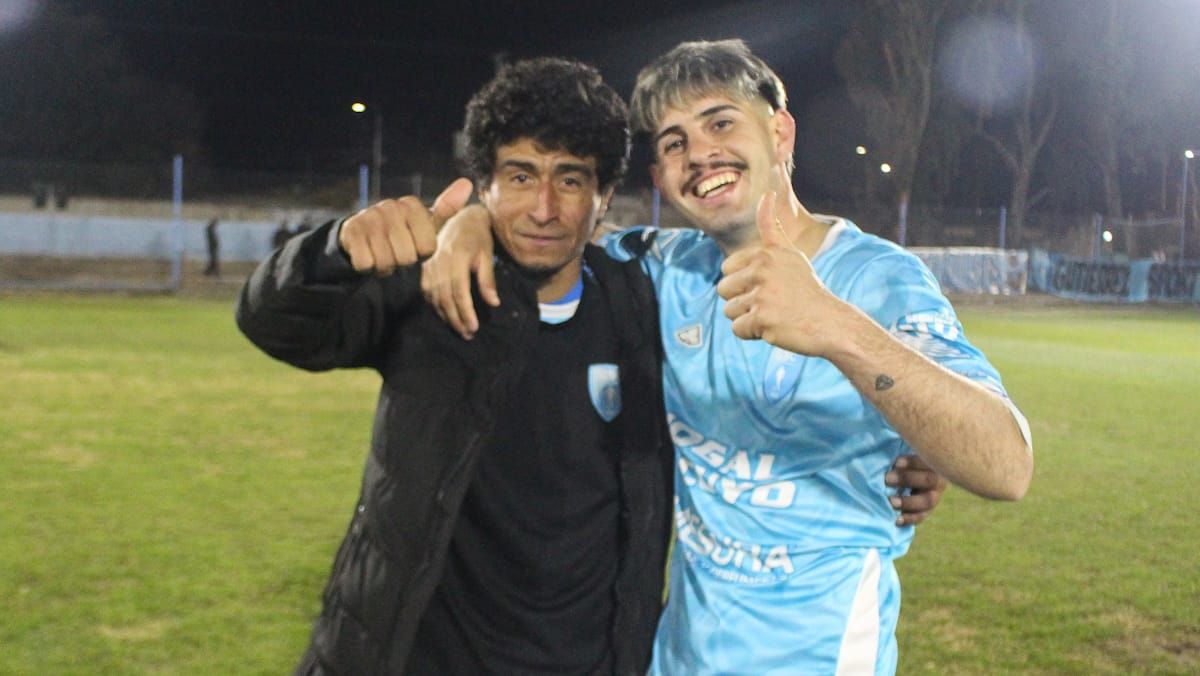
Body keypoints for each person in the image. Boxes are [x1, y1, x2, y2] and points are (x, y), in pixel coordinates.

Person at [425, 40, 1030, 675]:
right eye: (673, 142)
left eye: (720, 122)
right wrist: (470, 222)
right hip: (678, 657)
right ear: (660, 180)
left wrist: (833, 325)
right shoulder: (662, 271)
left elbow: (1007, 465)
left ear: (780, 133)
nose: (699, 154)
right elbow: (548, 233)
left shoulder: (879, 281)